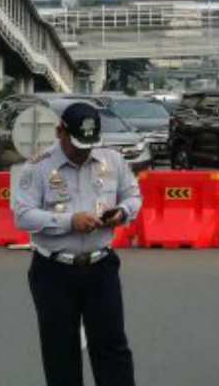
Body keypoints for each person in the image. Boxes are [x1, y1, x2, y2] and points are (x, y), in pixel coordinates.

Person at [11, 101, 142, 386]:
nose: (84, 151)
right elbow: (22, 215)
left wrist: (121, 213)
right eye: (77, 143)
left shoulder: (112, 161)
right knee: (60, 352)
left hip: (101, 267)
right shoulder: (38, 167)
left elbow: (133, 197)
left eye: (89, 144)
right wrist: (70, 221)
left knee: (112, 348)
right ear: (60, 132)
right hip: (54, 271)